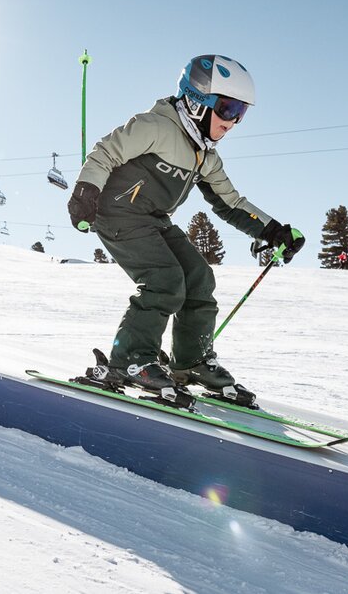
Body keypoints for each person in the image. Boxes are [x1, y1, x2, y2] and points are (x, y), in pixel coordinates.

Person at [66, 54, 303, 407]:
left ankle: (190, 362)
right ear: (196, 101)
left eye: (241, 112)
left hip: (153, 218)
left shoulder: (205, 156)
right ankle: (130, 359)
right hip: (116, 212)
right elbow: (105, 152)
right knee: (164, 280)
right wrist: (86, 191)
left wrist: (272, 231)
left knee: (198, 277)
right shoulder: (155, 126)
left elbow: (230, 202)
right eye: (227, 108)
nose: (233, 121)